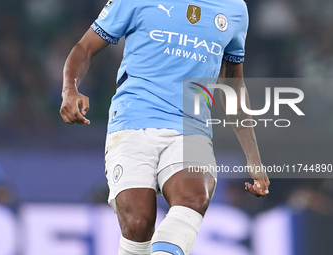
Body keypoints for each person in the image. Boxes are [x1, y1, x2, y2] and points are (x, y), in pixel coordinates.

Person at [60, 0, 270, 254]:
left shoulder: (234, 9)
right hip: (134, 118)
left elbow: (234, 86)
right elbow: (85, 46)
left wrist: (253, 157)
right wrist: (70, 89)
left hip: (191, 126)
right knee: (139, 224)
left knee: (194, 197)